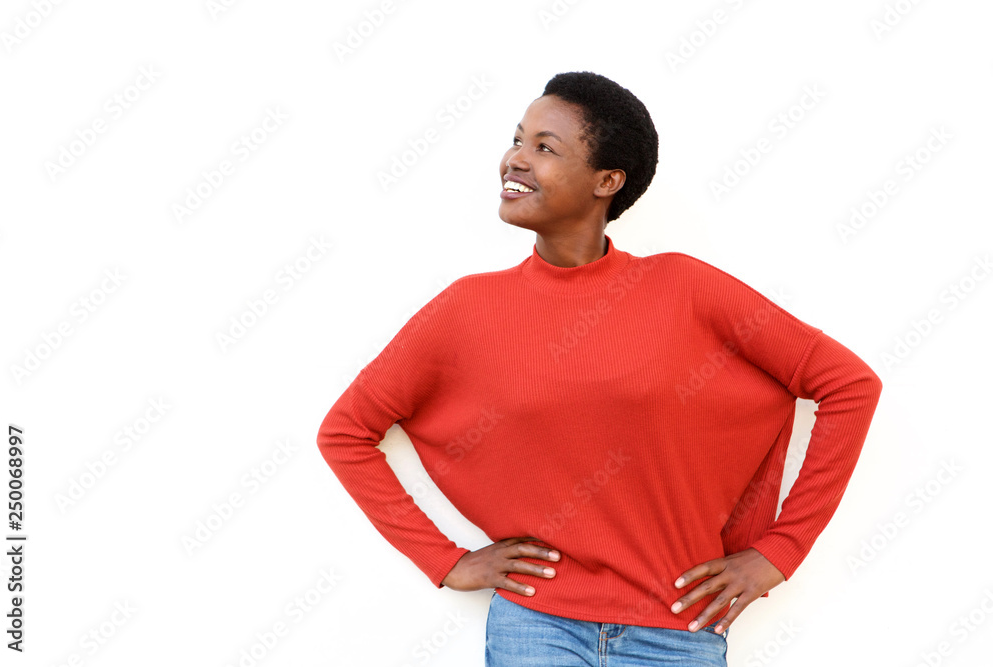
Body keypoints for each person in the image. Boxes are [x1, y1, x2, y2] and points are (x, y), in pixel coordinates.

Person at [317, 71, 883, 666]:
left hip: (679, 628)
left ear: (607, 181)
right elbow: (346, 432)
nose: (516, 158)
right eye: (517, 139)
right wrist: (446, 561)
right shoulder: (467, 307)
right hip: (537, 623)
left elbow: (849, 385)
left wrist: (780, 551)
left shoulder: (684, 286)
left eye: (545, 147)